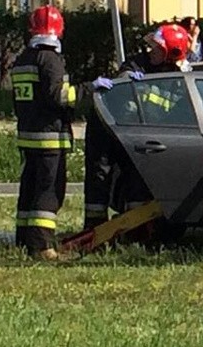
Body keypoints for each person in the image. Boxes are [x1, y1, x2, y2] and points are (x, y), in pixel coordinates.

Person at [80, 21, 191, 232]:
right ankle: (94, 228)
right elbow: (124, 74)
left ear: (170, 53)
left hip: (138, 133)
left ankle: (135, 228)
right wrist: (127, 80)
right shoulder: (138, 63)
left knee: (137, 177)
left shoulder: (179, 78)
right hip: (108, 127)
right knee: (99, 175)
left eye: (158, 48)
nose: (152, 51)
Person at [10, 5, 78, 257]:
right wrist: (87, 91)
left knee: (29, 188)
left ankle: (24, 241)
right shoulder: (50, 59)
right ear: (58, 30)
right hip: (50, 137)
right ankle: (42, 245)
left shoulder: (22, 59)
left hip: (28, 134)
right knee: (49, 191)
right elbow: (58, 96)